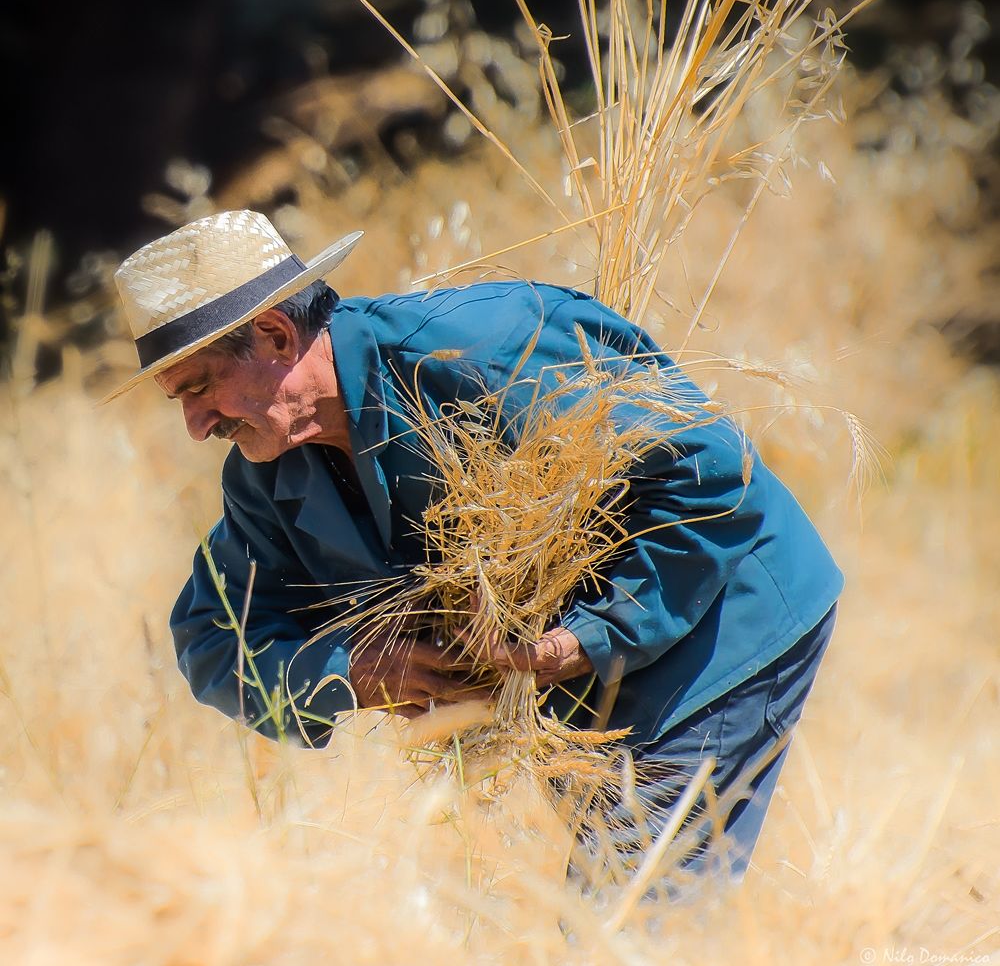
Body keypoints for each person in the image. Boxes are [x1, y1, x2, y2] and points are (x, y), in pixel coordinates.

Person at [106, 210, 843, 877]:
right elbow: (212, 637)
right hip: (579, 696)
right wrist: (353, 672)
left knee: (630, 924)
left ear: (274, 335)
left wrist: (582, 641)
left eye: (201, 388)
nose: (197, 427)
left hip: (719, 623)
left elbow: (714, 478)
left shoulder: (480, 353)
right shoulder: (267, 475)